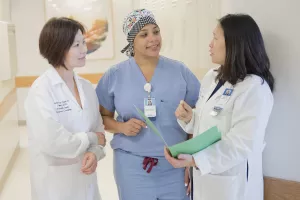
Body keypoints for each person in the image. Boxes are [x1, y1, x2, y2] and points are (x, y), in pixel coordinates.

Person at [164, 14, 275, 200]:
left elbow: (242, 144)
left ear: (234, 44)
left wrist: (195, 160)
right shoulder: (212, 77)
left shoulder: (254, 88)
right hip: (204, 177)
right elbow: (210, 123)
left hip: (232, 182)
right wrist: (191, 117)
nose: (210, 44)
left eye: (215, 38)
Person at [96, 9, 200, 200]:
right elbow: (100, 119)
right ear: (131, 41)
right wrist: (121, 127)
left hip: (176, 164)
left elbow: (198, 117)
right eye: (144, 34)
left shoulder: (180, 71)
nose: (153, 38)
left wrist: (190, 160)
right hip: (131, 166)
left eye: (156, 31)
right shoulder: (115, 75)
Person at [24, 17, 106, 200]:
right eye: (77, 45)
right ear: (59, 48)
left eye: (84, 42)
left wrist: (95, 152)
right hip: (55, 187)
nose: (84, 49)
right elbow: (52, 141)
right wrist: (91, 138)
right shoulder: (41, 90)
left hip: (86, 183)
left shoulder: (86, 88)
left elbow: (99, 131)